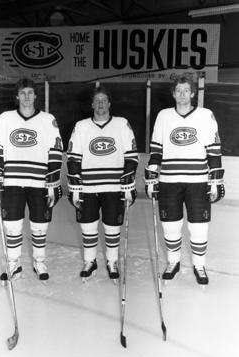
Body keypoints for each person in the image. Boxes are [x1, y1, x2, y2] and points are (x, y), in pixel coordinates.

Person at [145, 74, 225, 285]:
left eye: (185, 91)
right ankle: (173, 262)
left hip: (198, 181)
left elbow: (214, 150)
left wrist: (216, 181)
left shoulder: (206, 115)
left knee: (198, 227)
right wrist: (152, 177)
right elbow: (156, 150)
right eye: (178, 91)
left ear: (192, 93)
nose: (182, 95)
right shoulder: (163, 116)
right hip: (169, 180)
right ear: (173, 94)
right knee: (170, 225)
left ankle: (199, 265)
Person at [0, 77, 63, 283]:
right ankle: (14, 264)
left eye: (30, 93)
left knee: (40, 225)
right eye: (23, 93)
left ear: (36, 96)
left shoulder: (48, 119)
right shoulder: (5, 118)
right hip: (12, 181)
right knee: (12, 225)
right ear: (16, 96)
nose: (27, 97)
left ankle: (39, 262)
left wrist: (53, 181)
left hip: (39, 182)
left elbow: (55, 150)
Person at [67, 84, 139, 282]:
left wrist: (128, 180)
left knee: (112, 226)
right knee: (88, 226)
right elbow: (73, 158)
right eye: (97, 101)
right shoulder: (81, 126)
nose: (100, 104)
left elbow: (132, 156)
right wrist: (75, 186)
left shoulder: (122, 124)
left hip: (114, 187)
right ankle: (90, 261)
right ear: (92, 104)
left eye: (103, 101)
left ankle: (112, 261)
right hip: (88, 187)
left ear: (109, 103)